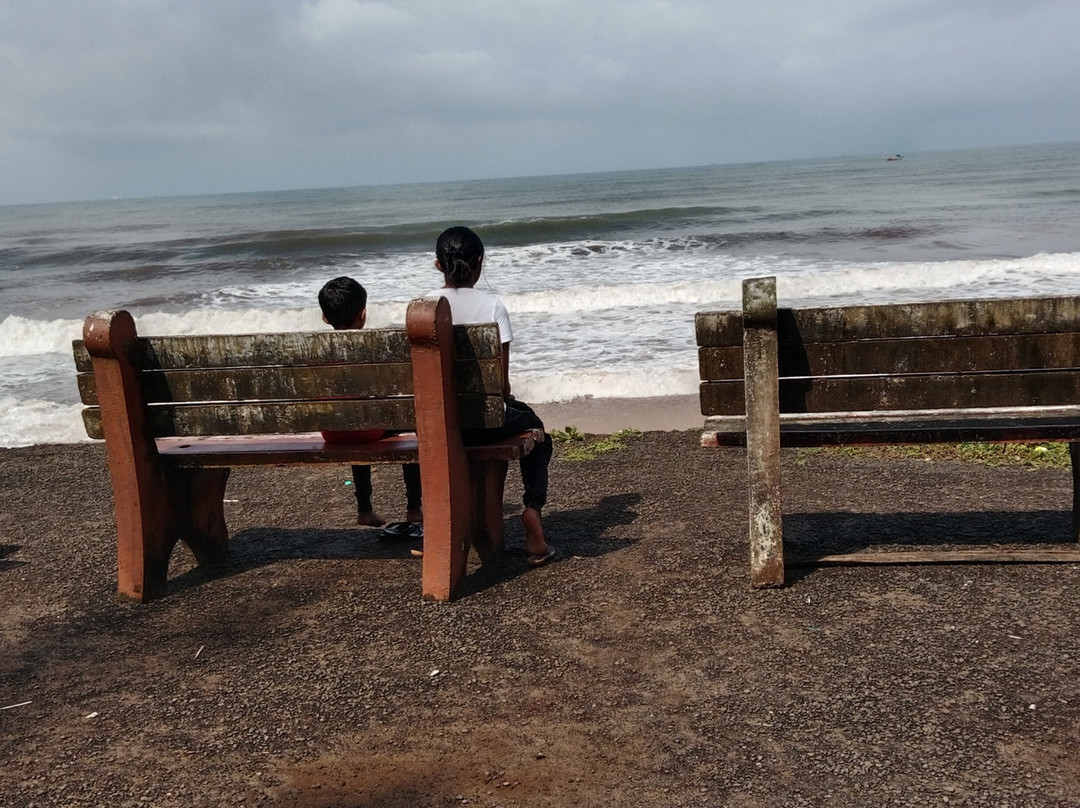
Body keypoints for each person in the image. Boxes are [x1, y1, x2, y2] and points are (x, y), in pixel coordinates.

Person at [427, 226, 555, 566]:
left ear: (438, 266)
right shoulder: (492, 306)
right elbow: (501, 386)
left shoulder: (423, 309)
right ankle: (532, 510)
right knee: (537, 430)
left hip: (436, 424)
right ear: (480, 262)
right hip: (485, 422)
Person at [318, 276, 422, 535]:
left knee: (353, 417)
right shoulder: (373, 349)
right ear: (363, 315)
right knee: (408, 426)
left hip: (331, 430)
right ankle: (414, 506)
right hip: (366, 429)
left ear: (325, 318)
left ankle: (364, 508)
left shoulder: (317, 351)